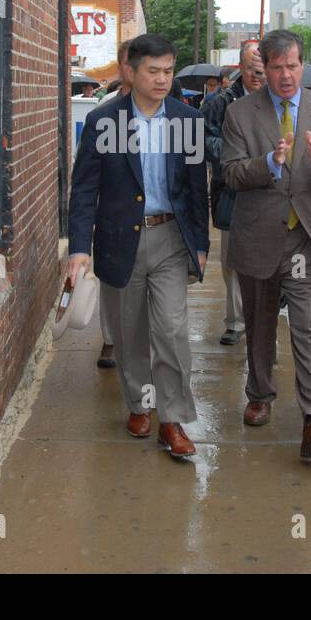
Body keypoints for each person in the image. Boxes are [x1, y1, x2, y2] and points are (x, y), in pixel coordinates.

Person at [67, 34, 210, 458]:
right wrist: (79, 247)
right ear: (131, 72)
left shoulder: (188, 120)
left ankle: (172, 419)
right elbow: (84, 189)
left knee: (171, 329)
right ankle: (139, 403)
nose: (163, 79)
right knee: (129, 335)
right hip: (118, 239)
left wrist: (199, 242)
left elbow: (196, 188)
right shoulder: (103, 121)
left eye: (169, 71)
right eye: (154, 71)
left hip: (170, 238)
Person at [221, 29, 311, 459]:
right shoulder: (240, 114)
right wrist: (268, 163)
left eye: (292, 66)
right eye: (275, 67)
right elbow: (230, 174)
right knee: (259, 324)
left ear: (303, 64)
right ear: (263, 68)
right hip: (259, 235)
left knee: (309, 327)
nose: (284, 75)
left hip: (307, 239)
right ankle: (260, 393)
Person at [201, 40, 264, 347]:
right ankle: (236, 320)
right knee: (232, 261)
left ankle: (266, 311)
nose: (258, 75)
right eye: (252, 69)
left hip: (269, 193)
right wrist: (235, 155)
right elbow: (204, 140)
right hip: (232, 192)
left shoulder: (278, 99)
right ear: (241, 67)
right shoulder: (219, 104)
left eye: (263, 69)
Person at [93, 40, 132, 367]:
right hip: (113, 208)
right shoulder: (104, 110)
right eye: (128, 65)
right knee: (112, 279)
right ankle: (110, 340)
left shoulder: (168, 110)